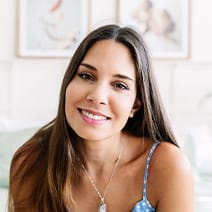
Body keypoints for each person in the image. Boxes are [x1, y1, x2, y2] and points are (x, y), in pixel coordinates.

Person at [8, 24, 194, 212]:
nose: (97, 96)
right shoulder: (31, 162)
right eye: (86, 76)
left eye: (120, 85)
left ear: (136, 105)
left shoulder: (167, 166)